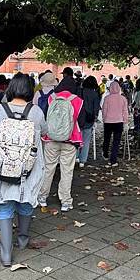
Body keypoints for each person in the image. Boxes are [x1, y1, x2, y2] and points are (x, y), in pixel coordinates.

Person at [0, 73, 47, 266]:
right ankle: (23, 239)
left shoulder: (0, 110)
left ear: (11, 88)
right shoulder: (36, 111)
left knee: (5, 205)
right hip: (29, 167)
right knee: (26, 201)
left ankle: (6, 254)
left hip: (3, 166)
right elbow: (45, 132)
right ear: (30, 90)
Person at [39, 67, 83, 212]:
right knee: (67, 171)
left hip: (50, 138)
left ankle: (42, 197)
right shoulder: (78, 100)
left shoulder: (52, 97)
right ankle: (65, 201)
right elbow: (80, 121)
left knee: (48, 168)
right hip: (70, 140)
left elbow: (46, 116)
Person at [102, 80, 128, 167]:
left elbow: (104, 111)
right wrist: (126, 122)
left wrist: (104, 119)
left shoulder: (107, 98)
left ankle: (105, 154)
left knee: (106, 139)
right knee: (116, 142)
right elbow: (125, 111)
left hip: (108, 122)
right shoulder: (123, 99)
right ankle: (113, 160)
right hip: (119, 122)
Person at [78, 75, 101, 168]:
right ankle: (82, 160)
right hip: (89, 119)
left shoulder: (80, 91)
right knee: (86, 140)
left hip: (79, 119)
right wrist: (95, 118)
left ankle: (75, 156)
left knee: (76, 139)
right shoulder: (95, 94)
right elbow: (96, 109)